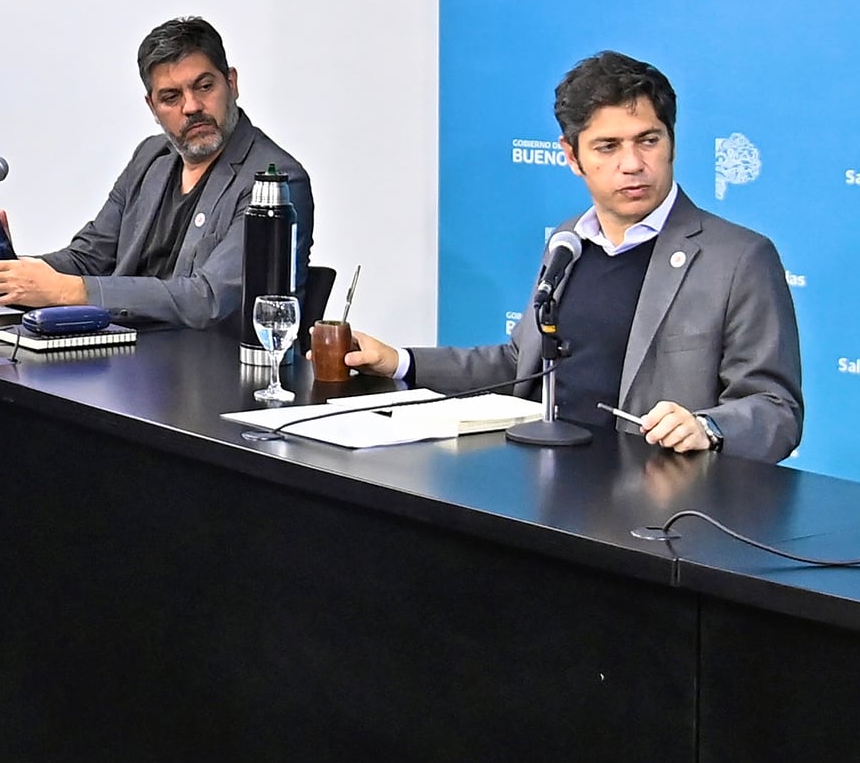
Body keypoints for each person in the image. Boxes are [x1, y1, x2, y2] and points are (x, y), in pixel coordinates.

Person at [343, 52, 804, 461]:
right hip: (544, 493)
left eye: (648, 140)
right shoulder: (569, 241)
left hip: (662, 511)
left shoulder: (738, 258)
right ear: (571, 155)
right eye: (608, 147)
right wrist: (399, 362)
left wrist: (708, 427)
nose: (632, 164)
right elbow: (520, 363)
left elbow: (775, 410)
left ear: (672, 142)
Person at [0, 16, 315, 332]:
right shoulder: (151, 157)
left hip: (215, 377)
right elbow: (89, 258)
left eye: (204, 87)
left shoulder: (277, 180)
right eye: (171, 97)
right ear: (152, 107)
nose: (191, 107)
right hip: (128, 363)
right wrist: (10, 270)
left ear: (232, 83)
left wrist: (67, 291)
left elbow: (207, 300)